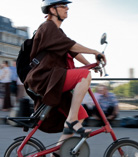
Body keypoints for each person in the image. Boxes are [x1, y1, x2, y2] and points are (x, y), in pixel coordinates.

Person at [24, 0, 106, 156]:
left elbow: (71, 51)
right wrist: (95, 51)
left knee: (81, 115)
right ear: (52, 9)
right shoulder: (47, 27)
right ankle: (71, 120)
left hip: (54, 79)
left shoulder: (57, 33)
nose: (67, 8)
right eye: (63, 5)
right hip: (44, 78)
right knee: (84, 75)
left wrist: (92, 64)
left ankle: (57, 154)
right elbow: (71, 46)